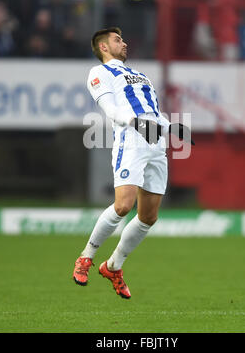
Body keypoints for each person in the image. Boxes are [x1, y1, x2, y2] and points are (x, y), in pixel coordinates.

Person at [72, 27, 194, 299]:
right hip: (132, 139)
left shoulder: (141, 75)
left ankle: (114, 266)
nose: (124, 43)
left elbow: (153, 112)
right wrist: (134, 122)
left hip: (156, 143)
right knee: (123, 205)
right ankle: (86, 257)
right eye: (117, 40)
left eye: (124, 38)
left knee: (149, 217)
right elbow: (111, 111)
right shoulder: (99, 73)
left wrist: (172, 126)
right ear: (103, 47)